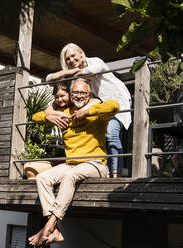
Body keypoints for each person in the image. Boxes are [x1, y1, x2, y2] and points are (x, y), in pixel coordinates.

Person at [28, 78, 119, 246]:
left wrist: (86, 112)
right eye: (75, 93)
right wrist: (49, 118)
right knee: (43, 178)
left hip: (96, 164)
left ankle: (49, 225)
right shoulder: (64, 112)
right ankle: (54, 229)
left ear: (89, 94)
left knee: (70, 175)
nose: (79, 96)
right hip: (72, 163)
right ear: (70, 94)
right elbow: (35, 116)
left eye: (83, 93)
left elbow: (115, 106)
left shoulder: (97, 112)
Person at [45, 43, 131, 177]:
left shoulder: (96, 61)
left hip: (116, 102)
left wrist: (72, 73)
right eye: (67, 59)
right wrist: (67, 72)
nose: (71, 60)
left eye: (73, 56)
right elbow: (48, 79)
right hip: (97, 107)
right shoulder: (72, 74)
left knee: (111, 134)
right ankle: (104, 171)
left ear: (81, 53)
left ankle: (116, 174)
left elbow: (90, 72)